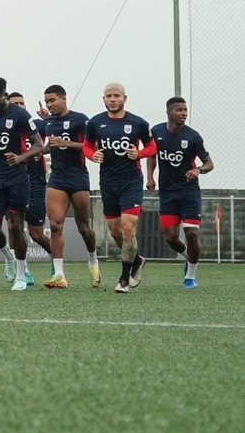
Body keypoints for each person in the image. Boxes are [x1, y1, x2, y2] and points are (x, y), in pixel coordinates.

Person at [82, 82, 156, 293]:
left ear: (125, 98)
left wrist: (139, 154)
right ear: (103, 99)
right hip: (108, 181)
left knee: (128, 228)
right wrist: (92, 155)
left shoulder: (138, 123)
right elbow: (87, 146)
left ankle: (124, 279)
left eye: (116, 95)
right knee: (115, 231)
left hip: (131, 181)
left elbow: (151, 146)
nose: (112, 99)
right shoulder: (95, 123)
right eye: (108, 96)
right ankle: (137, 260)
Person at [0, 77, 46, 291]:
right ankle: (9, 257)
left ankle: (22, 274)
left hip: (17, 177)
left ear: (5, 95)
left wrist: (21, 157)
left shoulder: (20, 115)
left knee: (16, 227)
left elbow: (39, 145)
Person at [147, 97, 214, 288]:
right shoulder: (157, 132)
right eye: (179, 110)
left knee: (191, 233)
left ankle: (190, 277)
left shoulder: (193, 137)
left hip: (188, 191)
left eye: (185, 110)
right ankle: (188, 258)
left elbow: (209, 163)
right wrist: (150, 177)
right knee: (171, 238)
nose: (183, 113)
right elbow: (152, 155)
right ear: (168, 112)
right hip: (167, 192)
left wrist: (198, 170)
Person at [38, 84, 100, 288]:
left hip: (78, 178)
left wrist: (69, 144)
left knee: (84, 227)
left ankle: (92, 260)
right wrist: (41, 151)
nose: (49, 104)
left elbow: (93, 147)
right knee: (55, 226)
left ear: (64, 99)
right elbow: (49, 145)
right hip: (57, 178)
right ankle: (59, 275)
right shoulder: (47, 121)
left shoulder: (80, 119)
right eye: (47, 101)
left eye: (52, 100)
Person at [8, 91, 50, 284]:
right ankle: (22, 269)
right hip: (13, 182)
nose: (19, 105)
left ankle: (55, 260)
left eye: (21, 102)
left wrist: (48, 118)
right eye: (15, 103)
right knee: (13, 228)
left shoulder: (37, 125)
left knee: (36, 233)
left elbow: (57, 136)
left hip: (35, 183)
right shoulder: (3, 126)